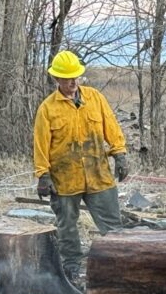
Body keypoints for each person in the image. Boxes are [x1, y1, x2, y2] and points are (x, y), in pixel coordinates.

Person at [33, 50, 128, 279]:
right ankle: (72, 268)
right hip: (64, 179)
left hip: (98, 174)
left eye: (76, 76)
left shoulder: (95, 98)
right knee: (67, 227)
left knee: (112, 226)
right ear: (57, 79)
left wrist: (120, 153)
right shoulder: (47, 108)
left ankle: (119, 266)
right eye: (67, 78)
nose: (72, 82)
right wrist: (43, 175)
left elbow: (111, 127)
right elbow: (40, 144)